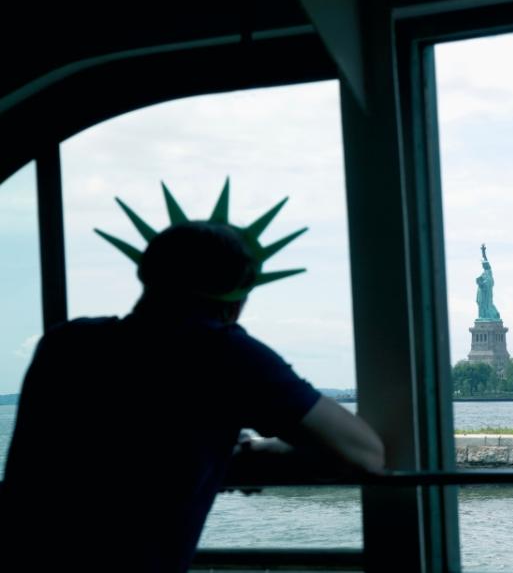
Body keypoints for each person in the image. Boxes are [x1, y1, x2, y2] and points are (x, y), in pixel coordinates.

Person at [0, 219, 384, 571]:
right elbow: (365, 453)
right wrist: (254, 453)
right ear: (240, 294)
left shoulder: (65, 344)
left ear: (144, 274)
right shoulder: (225, 353)